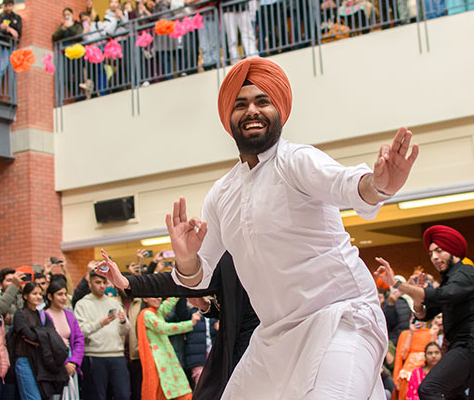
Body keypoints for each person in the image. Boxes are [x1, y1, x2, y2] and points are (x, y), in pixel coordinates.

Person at [164, 57, 418, 398]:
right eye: (241, 105)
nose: (252, 110)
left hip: (342, 318)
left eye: (262, 101)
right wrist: (185, 259)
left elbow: (346, 184)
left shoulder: (297, 160)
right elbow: (199, 276)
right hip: (274, 340)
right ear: (229, 118)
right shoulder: (221, 194)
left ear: (278, 111)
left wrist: (379, 185)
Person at [97, 250, 258, 400]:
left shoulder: (255, 256)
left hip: (259, 348)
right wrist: (127, 282)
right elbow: (177, 285)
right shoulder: (148, 314)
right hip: (164, 361)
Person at [376, 225, 474, 399]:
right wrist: (417, 298)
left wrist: (397, 284)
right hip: (465, 346)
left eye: (439, 251)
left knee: (430, 389)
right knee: (458, 394)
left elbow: (443, 295)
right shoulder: (449, 280)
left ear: (453, 251)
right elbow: (424, 314)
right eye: (431, 254)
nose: (435, 257)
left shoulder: (466, 272)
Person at [74, 271, 130, 400]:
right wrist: (99, 324)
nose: (102, 286)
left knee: (123, 395)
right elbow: (80, 331)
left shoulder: (114, 302)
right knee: (97, 396)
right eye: (98, 282)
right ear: (90, 283)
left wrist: (123, 322)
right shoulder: (82, 304)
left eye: (104, 282)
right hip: (95, 355)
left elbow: (126, 330)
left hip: (117, 355)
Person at [11, 282, 69, 399]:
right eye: (34, 293)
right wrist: (44, 335)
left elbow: (53, 336)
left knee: (45, 396)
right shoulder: (20, 315)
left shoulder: (44, 315)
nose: (38, 296)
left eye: (40, 294)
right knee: (32, 397)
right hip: (25, 359)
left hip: (43, 360)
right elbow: (30, 336)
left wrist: (40, 334)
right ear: (26, 296)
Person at [138, 296, 200, 400]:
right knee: (167, 392)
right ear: (145, 299)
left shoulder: (157, 312)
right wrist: (190, 323)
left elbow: (169, 303)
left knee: (177, 391)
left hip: (167, 358)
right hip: (158, 362)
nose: (158, 298)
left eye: (159, 296)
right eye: (154, 296)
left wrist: (179, 288)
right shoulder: (147, 314)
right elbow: (164, 328)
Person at [210, 0, 257, 64]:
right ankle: (235, 60)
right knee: (232, 38)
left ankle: (252, 55)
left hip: (242, 11)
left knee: (248, 34)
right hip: (228, 13)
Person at [45, 280, 84, 400]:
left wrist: (74, 362)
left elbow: (79, 339)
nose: (63, 298)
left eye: (65, 294)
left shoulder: (69, 315)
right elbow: (45, 344)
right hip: (54, 363)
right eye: (59, 294)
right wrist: (64, 363)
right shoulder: (43, 316)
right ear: (50, 296)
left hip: (71, 359)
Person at [394, 318, 434, 400]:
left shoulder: (430, 332)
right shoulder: (405, 334)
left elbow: (433, 352)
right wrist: (411, 333)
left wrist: (432, 335)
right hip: (407, 373)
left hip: (424, 372)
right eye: (413, 317)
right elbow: (401, 356)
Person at [189, 0, 219, 71]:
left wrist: (202, 0)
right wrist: (203, 0)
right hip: (201, 20)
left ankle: (215, 60)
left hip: (211, 17)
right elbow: (192, 1)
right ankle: (207, 61)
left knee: (213, 40)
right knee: (204, 41)